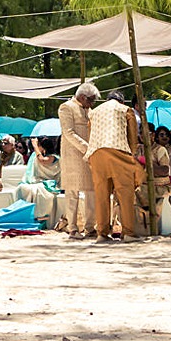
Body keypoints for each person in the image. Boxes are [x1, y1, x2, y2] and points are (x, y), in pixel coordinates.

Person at [86, 90, 145, 242]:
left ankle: (102, 233)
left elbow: (90, 133)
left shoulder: (94, 112)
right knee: (125, 192)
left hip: (96, 153)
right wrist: (131, 154)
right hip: (117, 149)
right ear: (122, 101)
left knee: (102, 194)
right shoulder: (125, 110)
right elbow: (132, 137)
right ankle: (128, 233)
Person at [58, 82, 98, 237]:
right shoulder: (66, 107)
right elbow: (68, 132)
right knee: (72, 191)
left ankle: (90, 227)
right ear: (82, 97)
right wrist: (86, 148)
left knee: (91, 191)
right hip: (72, 156)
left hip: (90, 155)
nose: (92, 103)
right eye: (91, 100)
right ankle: (73, 228)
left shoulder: (90, 110)